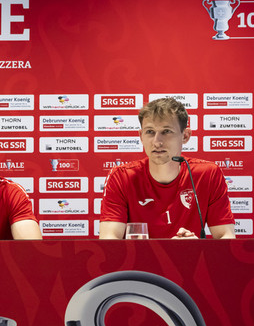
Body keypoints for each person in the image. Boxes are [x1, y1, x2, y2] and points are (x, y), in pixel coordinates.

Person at [99, 97, 235, 239]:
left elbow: (226, 237)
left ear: (185, 136)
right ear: (141, 136)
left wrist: (198, 247)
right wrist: (168, 250)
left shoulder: (208, 174)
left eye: (166, 131)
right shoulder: (122, 176)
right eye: (150, 132)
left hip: (192, 260)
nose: (157, 142)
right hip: (139, 261)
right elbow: (109, 242)